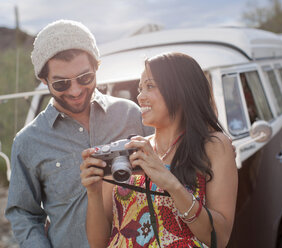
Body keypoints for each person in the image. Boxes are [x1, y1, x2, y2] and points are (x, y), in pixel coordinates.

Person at [5, 20, 152, 248]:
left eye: (85, 78)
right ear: (44, 80)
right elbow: (24, 215)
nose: (75, 91)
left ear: (97, 67)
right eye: (61, 84)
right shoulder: (27, 142)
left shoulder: (130, 114)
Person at [80, 52, 238, 247]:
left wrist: (171, 183)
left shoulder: (214, 146)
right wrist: (93, 193)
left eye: (150, 86)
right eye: (140, 88)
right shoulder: (127, 151)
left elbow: (220, 238)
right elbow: (98, 244)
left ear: (180, 91)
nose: (140, 96)